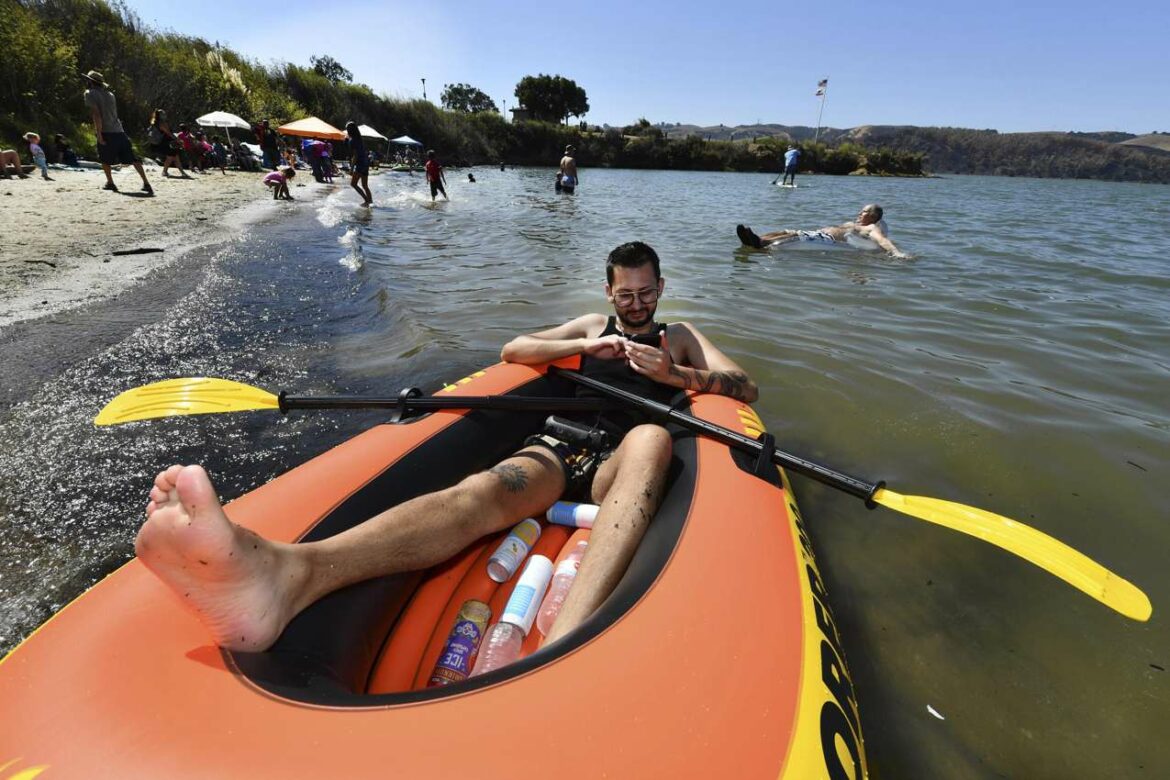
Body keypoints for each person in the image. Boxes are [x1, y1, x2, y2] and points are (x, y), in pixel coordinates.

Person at [135, 241, 758, 652]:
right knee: (478, 494)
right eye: (626, 295)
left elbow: (744, 386)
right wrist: (580, 349)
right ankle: (285, 575)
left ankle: (567, 642)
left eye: (647, 293)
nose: (638, 305)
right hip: (559, 449)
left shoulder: (680, 337)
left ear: (662, 287)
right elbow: (514, 350)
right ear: (608, 293)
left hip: (619, 465)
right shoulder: (591, 327)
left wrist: (675, 376)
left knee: (651, 436)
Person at [736, 204, 909, 258]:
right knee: (786, 230)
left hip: (827, 240)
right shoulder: (855, 224)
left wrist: (896, 253)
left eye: (863, 211)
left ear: (872, 216)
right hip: (819, 234)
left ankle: (759, 243)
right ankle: (756, 238)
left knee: (794, 235)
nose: (859, 213)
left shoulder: (871, 227)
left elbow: (882, 240)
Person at [82, 69, 152, 195]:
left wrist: (99, 134)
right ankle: (146, 183)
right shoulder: (110, 95)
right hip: (119, 131)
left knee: (105, 159)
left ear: (90, 82)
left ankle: (110, 183)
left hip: (106, 131)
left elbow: (96, 115)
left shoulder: (89, 93)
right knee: (133, 158)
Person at [148, 109, 186, 177]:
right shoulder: (162, 123)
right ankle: (165, 171)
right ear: (160, 116)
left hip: (160, 143)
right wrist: (178, 140)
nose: (165, 115)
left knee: (175, 156)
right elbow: (169, 133)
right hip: (163, 143)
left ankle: (182, 172)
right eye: (163, 114)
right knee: (171, 156)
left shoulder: (155, 122)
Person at [345, 122, 372, 205]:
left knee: (353, 184)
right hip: (366, 163)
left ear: (349, 130)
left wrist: (351, 169)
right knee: (365, 185)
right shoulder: (360, 139)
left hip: (360, 164)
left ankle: (366, 200)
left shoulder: (352, 141)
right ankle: (370, 202)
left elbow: (355, 155)